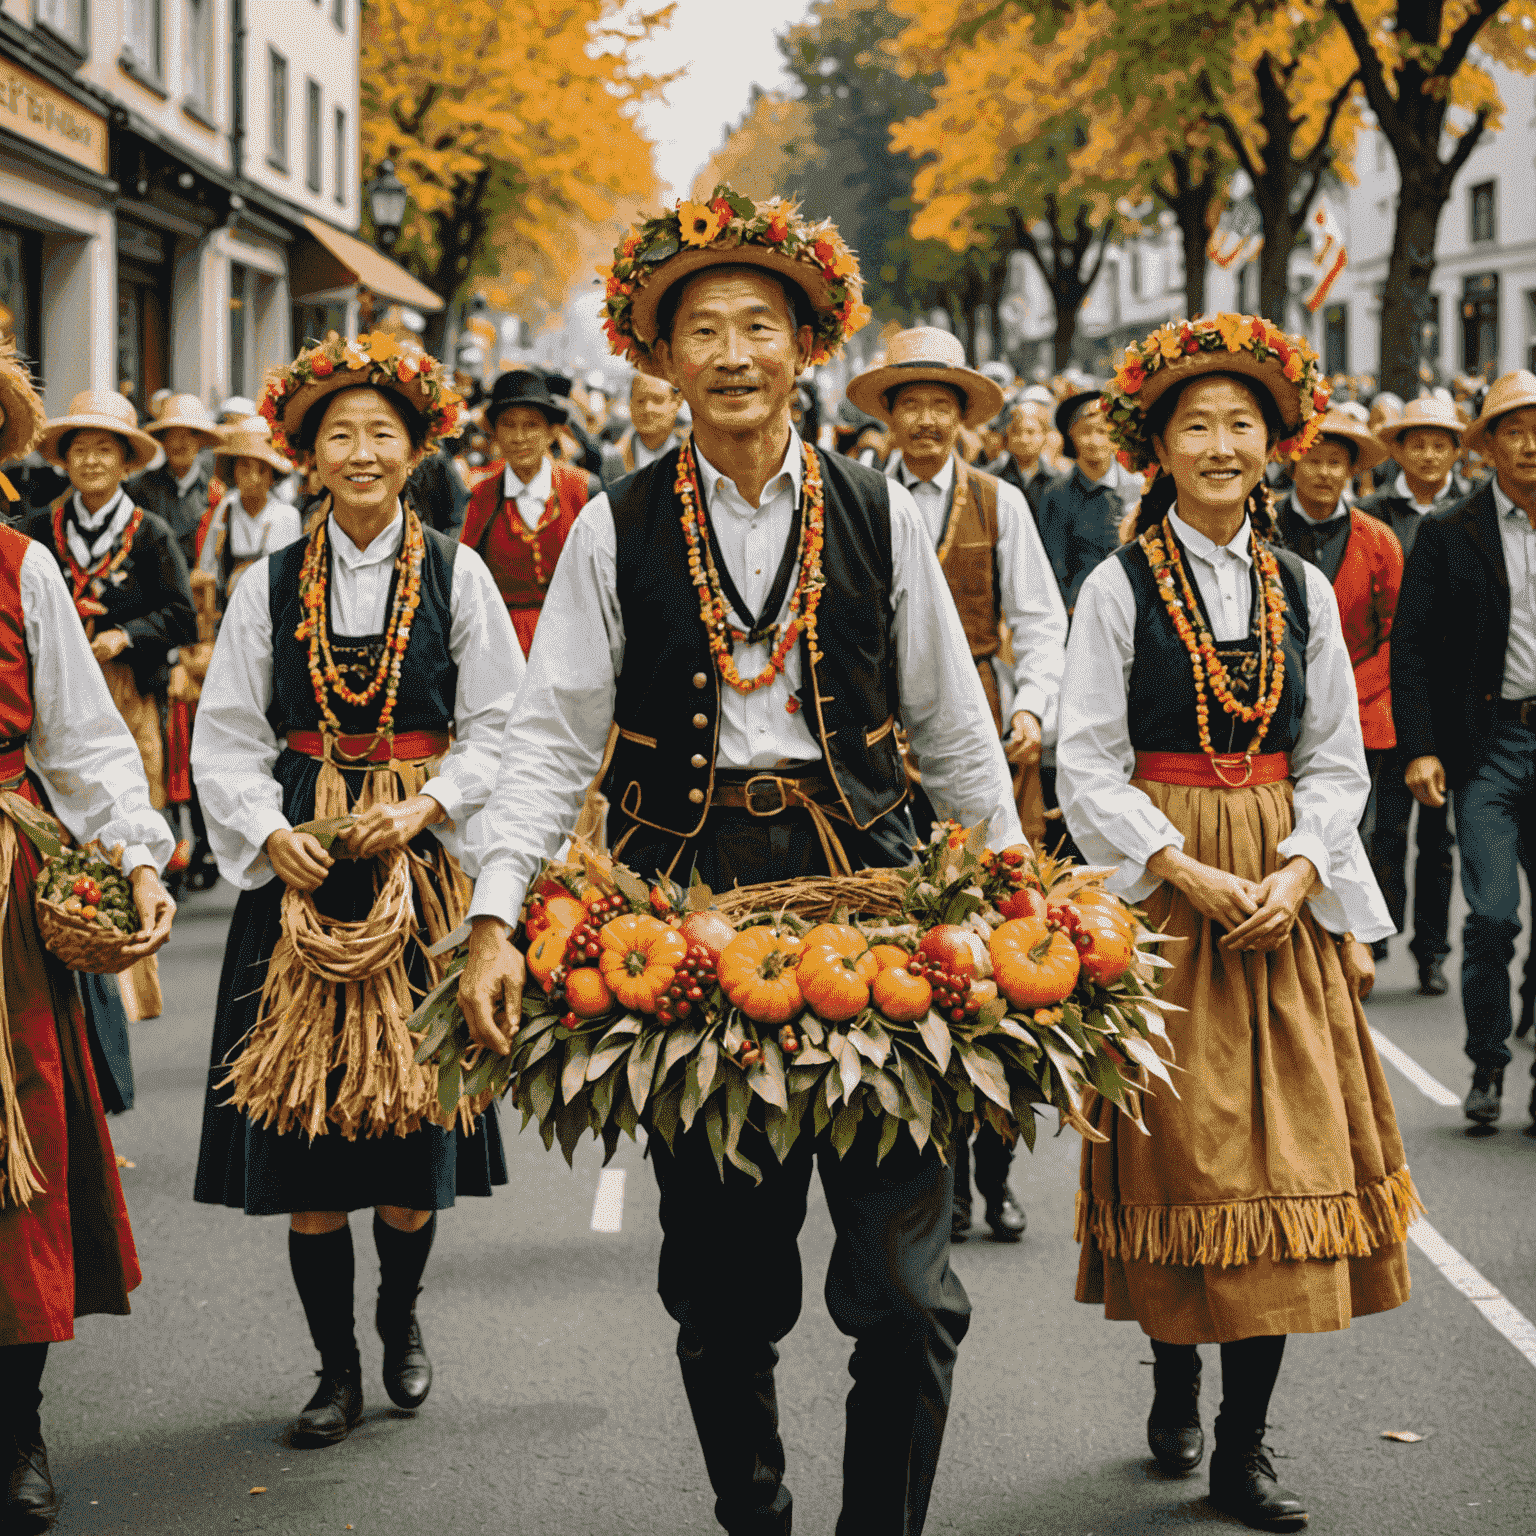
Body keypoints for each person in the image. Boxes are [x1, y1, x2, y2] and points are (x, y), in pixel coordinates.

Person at [457, 187, 1024, 1536]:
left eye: (756, 326)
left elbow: (952, 721)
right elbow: (547, 739)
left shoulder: (882, 511)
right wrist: (492, 912)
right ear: (658, 358)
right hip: (683, 915)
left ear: (804, 343)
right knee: (719, 1285)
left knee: (907, 1292)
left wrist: (1009, 884)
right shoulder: (619, 523)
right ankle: (753, 1515)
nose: (729, 353)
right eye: (700, 328)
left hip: (880, 905)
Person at [1059, 315, 1417, 1530]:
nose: (1221, 445)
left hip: (1277, 894)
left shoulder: (1303, 587)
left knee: (1286, 1160)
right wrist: (1174, 866)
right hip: (1166, 895)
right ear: (1157, 445)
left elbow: (1333, 756)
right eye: (1196, 425)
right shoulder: (1116, 586)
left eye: (1241, 426)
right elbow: (1087, 761)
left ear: (1275, 443)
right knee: (1185, 1155)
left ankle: (1243, 1445)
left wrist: (1305, 868)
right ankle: (1173, 1376)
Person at [190, 333, 523, 1446]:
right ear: (308, 455)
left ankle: (400, 1313)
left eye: (383, 432)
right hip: (304, 867)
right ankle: (334, 1370)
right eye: (341, 435)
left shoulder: (458, 571)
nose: (363, 452)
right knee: (311, 1145)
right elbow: (226, 735)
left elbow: (499, 728)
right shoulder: (268, 581)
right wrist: (264, 828)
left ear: (415, 447)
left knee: (411, 1141)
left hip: (415, 868)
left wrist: (429, 806)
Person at [0, 341, 176, 1535]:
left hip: (0, 900)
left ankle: (17, 1436)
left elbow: (84, 742)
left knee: (17, 1178)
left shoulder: (22, 570)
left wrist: (139, 856)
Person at [848, 326, 1068, 1245]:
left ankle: (996, 1166)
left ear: (964, 417)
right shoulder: (855, 502)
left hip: (979, 725)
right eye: (911, 403)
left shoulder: (999, 504)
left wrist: (1032, 712)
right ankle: (924, 1161)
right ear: (890, 416)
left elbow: (1040, 622)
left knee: (997, 949)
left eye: (943, 403)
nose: (927, 418)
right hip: (874, 737)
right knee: (904, 948)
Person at [1391, 369, 1536, 1134]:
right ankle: (1487, 1062)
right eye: (1513, 429)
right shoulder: (1452, 531)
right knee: (1491, 917)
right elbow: (1409, 648)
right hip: (1490, 746)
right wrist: (1420, 748)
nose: (1531, 443)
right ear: (1488, 446)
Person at [27, 391, 197, 1013]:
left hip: (127, 698)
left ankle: (132, 969)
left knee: (127, 828)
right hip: (49, 705)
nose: (92, 461)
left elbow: (183, 615)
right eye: (81, 450)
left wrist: (127, 636)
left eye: (106, 449)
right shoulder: (35, 532)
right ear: (63, 460)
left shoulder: (148, 533)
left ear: (125, 462)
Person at [1356, 396, 1471, 996]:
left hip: (1455, 693)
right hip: (1386, 689)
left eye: (1440, 443)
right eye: (1417, 443)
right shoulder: (1372, 515)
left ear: (1457, 451)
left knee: (1440, 834)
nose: (1428, 454)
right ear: (1396, 449)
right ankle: (1377, 932)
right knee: (1384, 826)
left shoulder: (1472, 511)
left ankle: (1433, 950)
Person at [1276, 410, 1402, 951]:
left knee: (1354, 824)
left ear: (1352, 471)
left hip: (1360, 700)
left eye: (1336, 463)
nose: (1325, 473)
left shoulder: (1378, 541)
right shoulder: (1262, 527)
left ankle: (1349, 935)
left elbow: (1397, 632)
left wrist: (1347, 687)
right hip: (1273, 699)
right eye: (1314, 460)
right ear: (1293, 461)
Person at [459, 369, 598, 658]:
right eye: (508, 425)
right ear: (494, 433)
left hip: (574, 646)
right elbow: (466, 582)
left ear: (552, 432)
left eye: (532, 425)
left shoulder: (583, 490)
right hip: (500, 650)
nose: (519, 437)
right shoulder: (481, 496)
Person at [1038, 390, 1130, 611]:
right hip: (1079, 608)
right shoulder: (1056, 493)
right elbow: (1054, 562)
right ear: (1071, 435)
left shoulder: (1136, 487)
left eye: (1102, 431)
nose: (1094, 441)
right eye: (1085, 432)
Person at [196, 417, 303, 608]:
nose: (253, 478)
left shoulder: (286, 515)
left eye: (262, 470)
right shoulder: (226, 508)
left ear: (272, 475)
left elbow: (287, 580)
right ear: (234, 469)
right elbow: (207, 567)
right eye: (245, 467)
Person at [127, 393, 224, 569]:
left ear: (201, 440)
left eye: (189, 435)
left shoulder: (215, 494)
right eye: (172, 434)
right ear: (163, 440)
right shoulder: (139, 488)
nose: (180, 443)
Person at [602, 371, 685, 490]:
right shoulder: (613, 460)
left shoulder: (696, 457)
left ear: (677, 403)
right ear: (630, 404)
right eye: (640, 400)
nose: (648, 409)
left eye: (657, 400)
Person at [991, 399, 1057, 518]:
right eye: (1016, 431)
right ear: (1008, 435)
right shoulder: (992, 477)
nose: (1023, 439)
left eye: (1031, 432)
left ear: (1045, 435)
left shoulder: (1056, 482)